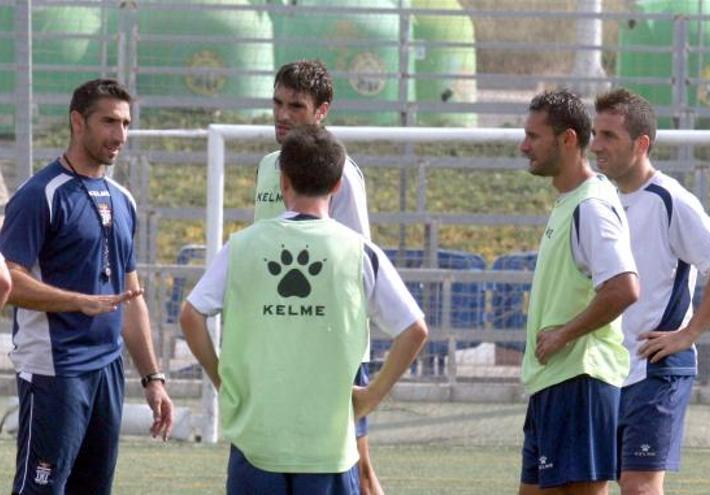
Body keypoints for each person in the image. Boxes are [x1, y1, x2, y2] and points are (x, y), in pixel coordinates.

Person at [179, 124, 428, 495]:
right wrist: (372, 395)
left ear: (283, 183)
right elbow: (414, 329)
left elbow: (191, 314)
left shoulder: (243, 245)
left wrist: (221, 381)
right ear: (337, 185)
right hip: (328, 447)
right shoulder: (359, 252)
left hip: (257, 439)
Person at [0, 79, 174, 495]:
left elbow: (130, 298)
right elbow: (8, 281)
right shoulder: (40, 194)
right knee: (42, 489)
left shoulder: (122, 198)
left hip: (107, 369)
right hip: (56, 369)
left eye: (126, 123)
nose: (120, 135)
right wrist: (77, 302)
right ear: (78, 122)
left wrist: (153, 377)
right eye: (109, 122)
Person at [589, 88, 710, 495]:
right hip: (606, 366)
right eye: (594, 133)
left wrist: (688, 334)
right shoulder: (599, 199)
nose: (596, 145)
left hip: (654, 367)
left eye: (609, 136)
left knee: (639, 486)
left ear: (642, 144)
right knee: (592, 481)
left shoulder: (669, 198)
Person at [253, 59, 381, 494]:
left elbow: (359, 262)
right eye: (277, 103)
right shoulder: (269, 165)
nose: (283, 115)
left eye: (296, 106)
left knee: (356, 465)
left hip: (330, 346)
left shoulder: (340, 172)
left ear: (322, 111)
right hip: (279, 343)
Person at [518, 89, 640, 495]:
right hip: (554, 381)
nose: (524, 146)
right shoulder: (570, 203)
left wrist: (562, 333)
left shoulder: (591, 206)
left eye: (534, 137)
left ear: (568, 139)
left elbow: (624, 288)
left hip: (580, 380)